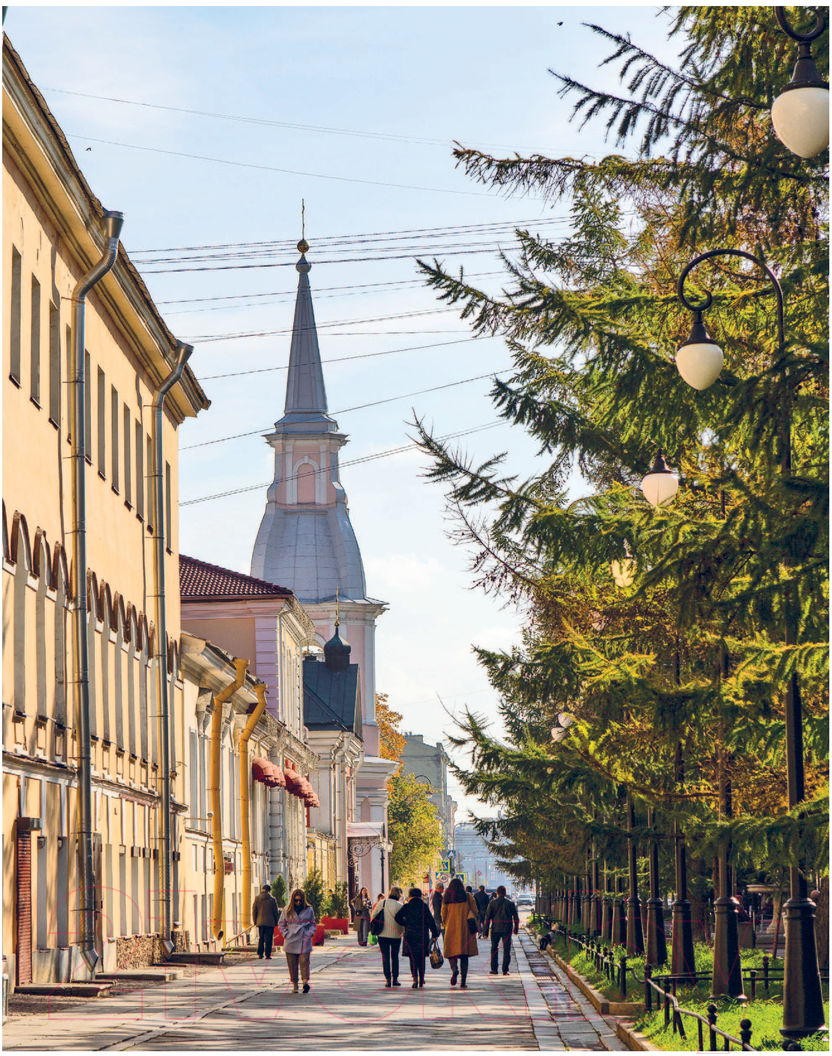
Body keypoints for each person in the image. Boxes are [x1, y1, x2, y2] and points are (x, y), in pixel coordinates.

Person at [394, 887, 439, 988]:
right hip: (422, 935)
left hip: (410, 935)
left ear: (410, 895)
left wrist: (405, 923)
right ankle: (422, 979)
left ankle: (415, 979)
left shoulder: (407, 906)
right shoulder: (424, 906)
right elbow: (431, 921)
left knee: (412, 958)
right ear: (420, 896)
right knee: (421, 958)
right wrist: (435, 934)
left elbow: (397, 917)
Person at [442, 876, 479, 989]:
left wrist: (444, 923)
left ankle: (454, 970)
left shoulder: (447, 896)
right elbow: (475, 911)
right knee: (464, 956)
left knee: (450, 953)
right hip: (465, 929)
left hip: (451, 929)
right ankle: (463, 981)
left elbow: (443, 914)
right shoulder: (468, 896)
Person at [278, 888, 317, 993]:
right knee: (292, 964)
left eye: (300, 900)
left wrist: (310, 933)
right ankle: (295, 984)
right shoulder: (287, 910)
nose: (298, 902)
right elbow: (281, 924)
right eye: (296, 900)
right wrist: (286, 934)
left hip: (304, 938)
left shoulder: (309, 910)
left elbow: (313, 923)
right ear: (293, 900)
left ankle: (305, 982)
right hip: (291, 939)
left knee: (305, 961)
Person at [372, 886, 405, 988]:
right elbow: (403, 920)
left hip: (382, 934)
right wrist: (402, 931)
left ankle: (387, 980)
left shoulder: (382, 903)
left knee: (385, 957)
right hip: (396, 935)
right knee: (395, 957)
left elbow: (373, 916)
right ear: (399, 895)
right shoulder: (400, 906)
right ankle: (395, 979)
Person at [483, 884, 519, 976]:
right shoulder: (510, 903)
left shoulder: (492, 903)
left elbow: (487, 918)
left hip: (495, 929)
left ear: (497, 893)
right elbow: (516, 917)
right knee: (507, 950)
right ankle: (505, 970)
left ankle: (494, 969)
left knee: (494, 949)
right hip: (507, 929)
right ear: (505, 893)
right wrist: (516, 929)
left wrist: (485, 932)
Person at [252, 883, 280, 960]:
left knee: (261, 938)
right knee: (269, 939)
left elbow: (254, 910)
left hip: (260, 922)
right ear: (269, 891)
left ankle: (260, 954)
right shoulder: (272, 899)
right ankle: (268, 954)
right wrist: (276, 921)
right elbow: (275, 912)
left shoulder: (257, 898)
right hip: (270, 922)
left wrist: (255, 921)